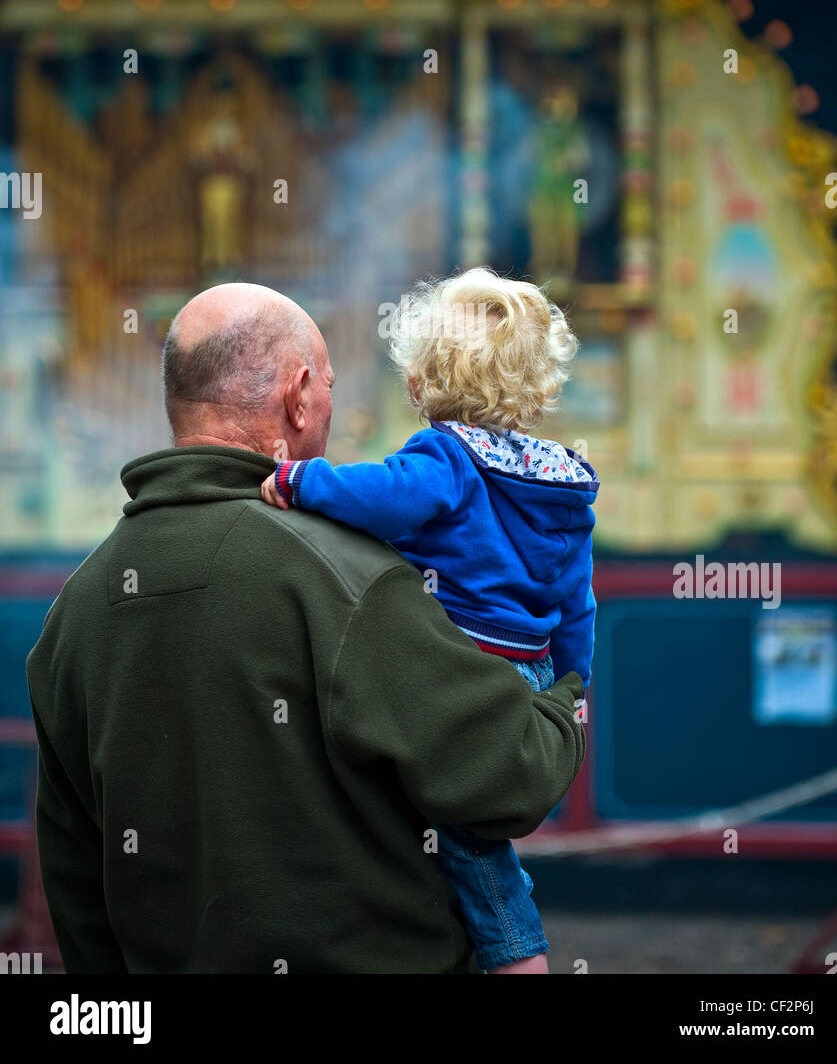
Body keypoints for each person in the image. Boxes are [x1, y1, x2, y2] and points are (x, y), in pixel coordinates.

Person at [26, 282, 586, 974]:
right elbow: (513, 775)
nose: (329, 404)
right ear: (297, 397)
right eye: (326, 386)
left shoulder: (73, 615)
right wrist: (562, 701)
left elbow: (76, 886)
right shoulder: (350, 575)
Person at [260, 267, 598, 974]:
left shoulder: (446, 458)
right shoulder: (557, 480)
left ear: (421, 382)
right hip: (528, 667)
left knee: (467, 837)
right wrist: (571, 681)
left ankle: (516, 957)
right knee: (468, 829)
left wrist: (299, 478)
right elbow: (576, 600)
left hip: (464, 663)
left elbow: (383, 497)